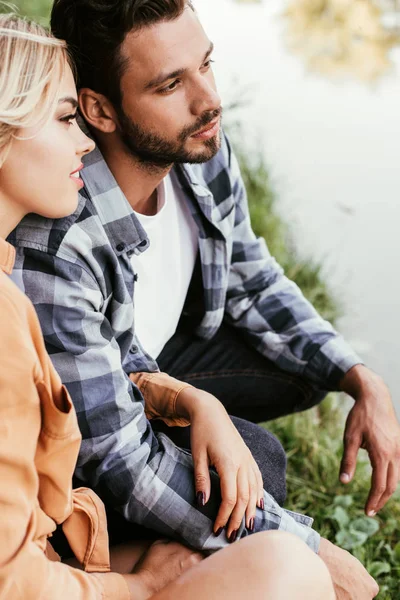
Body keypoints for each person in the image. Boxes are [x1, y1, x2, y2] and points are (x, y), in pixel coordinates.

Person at [3, 2, 381, 598]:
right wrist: (313, 550)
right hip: (80, 450)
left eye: (206, 64)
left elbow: (249, 272)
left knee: (301, 375)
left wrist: (359, 377)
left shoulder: (198, 143)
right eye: (171, 84)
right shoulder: (52, 239)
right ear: (99, 109)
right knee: (256, 465)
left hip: (140, 368)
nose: (209, 101)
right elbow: (114, 458)